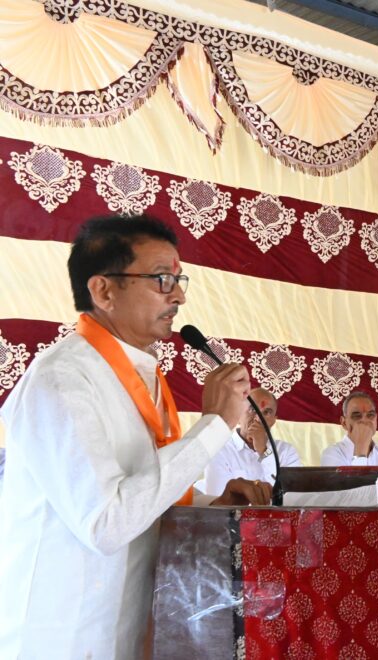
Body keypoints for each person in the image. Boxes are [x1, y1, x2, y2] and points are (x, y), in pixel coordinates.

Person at [0, 215, 270, 659]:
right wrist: (215, 425)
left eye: (179, 280)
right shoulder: (62, 378)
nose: (179, 296)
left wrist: (208, 505)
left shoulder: (140, 374)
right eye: (162, 279)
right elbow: (106, 522)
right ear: (104, 291)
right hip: (62, 638)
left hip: (125, 630)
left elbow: (139, 492)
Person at [203, 387, 302, 495]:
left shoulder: (286, 452)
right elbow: (218, 499)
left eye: (266, 412)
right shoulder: (219, 450)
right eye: (253, 410)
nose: (258, 419)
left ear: (273, 421)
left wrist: (264, 452)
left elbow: (289, 496)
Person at [321, 391, 378, 466]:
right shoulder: (332, 454)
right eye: (356, 415)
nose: (365, 420)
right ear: (344, 423)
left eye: (370, 414)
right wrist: (361, 448)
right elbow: (355, 475)